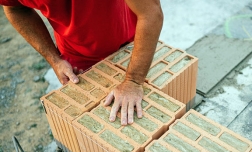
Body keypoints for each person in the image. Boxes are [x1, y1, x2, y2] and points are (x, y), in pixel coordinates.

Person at [1, 0, 163, 125]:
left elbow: (150, 13)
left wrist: (133, 80)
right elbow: (14, 8)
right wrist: (55, 60)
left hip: (129, 38)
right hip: (74, 53)